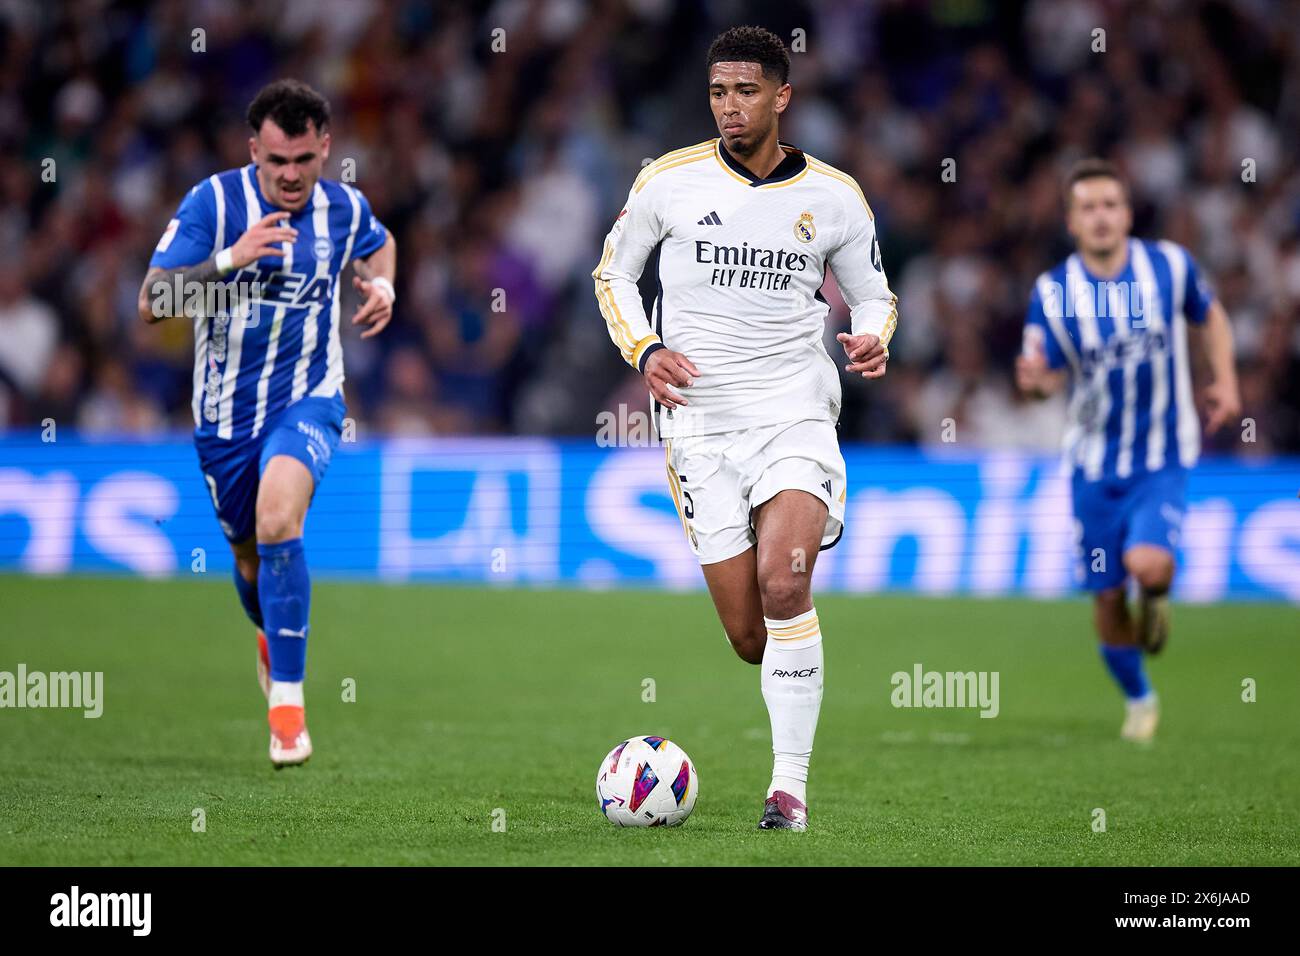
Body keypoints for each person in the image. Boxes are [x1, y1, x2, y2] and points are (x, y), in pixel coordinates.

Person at [592, 26, 897, 829]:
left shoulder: (833, 196)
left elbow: (875, 293)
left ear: (781, 97)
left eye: (747, 91)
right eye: (720, 91)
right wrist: (645, 346)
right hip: (698, 429)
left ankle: (787, 792)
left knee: (785, 581)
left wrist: (874, 336)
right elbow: (614, 272)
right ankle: (793, 668)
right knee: (752, 637)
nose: (731, 106)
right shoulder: (669, 181)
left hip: (794, 409)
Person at [137, 79, 397, 767]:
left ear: (325, 150)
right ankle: (270, 634)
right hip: (224, 421)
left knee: (281, 520)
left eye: (303, 161)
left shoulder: (344, 207)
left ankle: (287, 707)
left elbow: (380, 242)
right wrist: (230, 259)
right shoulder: (213, 204)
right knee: (250, 559)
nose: (289, 176)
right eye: (276, 161)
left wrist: (384, 286)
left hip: (311, 398)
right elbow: (151, 301)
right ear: (254, 150)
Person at [1016, 158, 1241, 742]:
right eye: (1088, 208)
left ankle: (1158, 595)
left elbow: (1210, 316)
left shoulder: (1168, 265)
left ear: (1127, 213)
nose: (1100, 217)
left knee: (1147, 563)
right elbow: (1045, 377)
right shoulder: (1053, 291)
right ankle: (1140, 699)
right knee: (1107, 595)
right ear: (1071, 221)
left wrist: (1225, 381)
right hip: (1092, 466)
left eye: (1110, 205)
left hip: (1162, 456)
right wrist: (1034, 378)